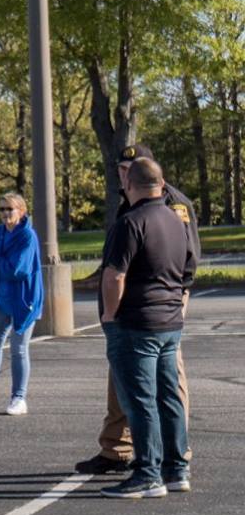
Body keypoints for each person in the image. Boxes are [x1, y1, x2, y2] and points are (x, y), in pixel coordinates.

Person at [80, 142, 199, 475]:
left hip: (156, 305)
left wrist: (174, 296)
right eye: (120, 168)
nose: (123, 174)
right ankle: (117, 447)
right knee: (125, 380)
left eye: (129, 169)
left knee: (165, 384)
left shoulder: (171, 204)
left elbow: (186, 258)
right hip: (135, 309)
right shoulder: (129, 203)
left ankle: (171, 455)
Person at [0, 191, 43, 416]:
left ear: (21, 211)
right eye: (1, 209)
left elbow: (17, 269)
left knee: (19, 349)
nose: (5, 213)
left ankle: (19, 397)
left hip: (25, 300)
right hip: (3, 298)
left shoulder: (28, 236)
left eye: (9, 209)